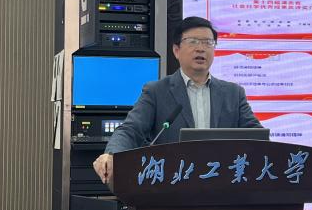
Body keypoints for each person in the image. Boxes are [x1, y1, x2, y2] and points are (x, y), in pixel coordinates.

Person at [92, 16, 262, 184]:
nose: (201, 49)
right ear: (176, 50)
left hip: (223, 185)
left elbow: (257, 136)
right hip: (172, 184)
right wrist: (111, 155)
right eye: (193, 42)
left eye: (208, 43)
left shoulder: (233, 93)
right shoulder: (156, 91)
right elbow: (131, 129)